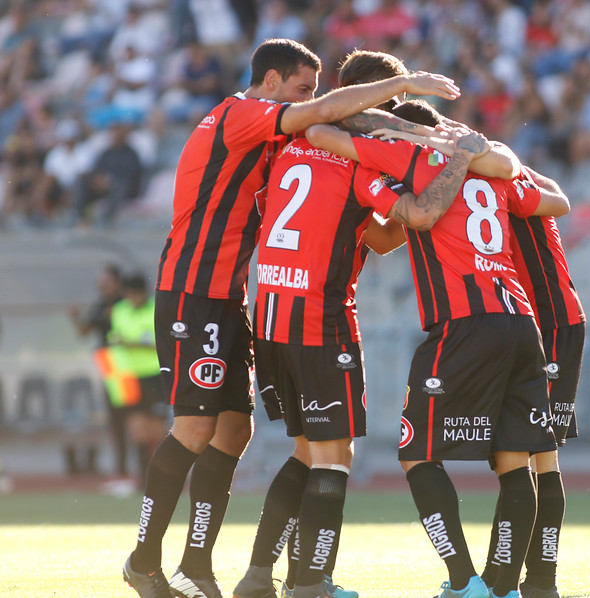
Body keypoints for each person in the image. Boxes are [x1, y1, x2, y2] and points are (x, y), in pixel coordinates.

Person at [122, 37, 461, 598]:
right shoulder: (239, 116)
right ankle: (145, 558)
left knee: (235, 430)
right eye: (304, 88)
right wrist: (409, 97)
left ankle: (198, 563)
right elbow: (334, 124)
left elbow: (334, 139)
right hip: (193, 290)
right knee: (199, 428)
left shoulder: (290, 141)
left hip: (238, 299)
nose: (312, 98)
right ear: (273, 81)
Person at [304, 98, 569, 598]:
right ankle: (504, 588)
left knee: (415, 453)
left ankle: (464, 581)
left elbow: (323, 135)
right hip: (519, 322)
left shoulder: (411, 158)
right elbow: (556, 201)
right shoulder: (490, 170)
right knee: (516, 461)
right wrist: (479, 156)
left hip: (464, 326)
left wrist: (390, 139)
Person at [233, 118, 491, 598]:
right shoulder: (355, 161)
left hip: (269, 313)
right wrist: (458, 160)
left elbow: (379, 237)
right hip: (320, 319)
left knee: (307, 450)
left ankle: (257, 576)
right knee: (335, 456)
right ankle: (310, 582)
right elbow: (419, 216)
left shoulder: (291, 147)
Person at [481, 164, 585, 598]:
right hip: (535, 325)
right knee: (532, 457)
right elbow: (558, 194)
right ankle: (530, 579)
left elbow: (560, 200)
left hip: (552, 325)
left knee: (533, 456)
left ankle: (529, 578)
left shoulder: (504, 186)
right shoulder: (519, 179)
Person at [105, 273, 169, 481]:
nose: (132, 298)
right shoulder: (119, 310)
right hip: (128, 376)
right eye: (129, 294)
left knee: (158, 429)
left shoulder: (156, 310)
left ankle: (165, 473)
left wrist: (133, 344)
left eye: (135, 294)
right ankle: (143, 477)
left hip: (155, 375)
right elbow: (114, 338)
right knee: (137, 428)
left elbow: (162, 343)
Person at [69, 263, 125, 476]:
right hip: (110, 367)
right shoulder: (100, 306)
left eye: (106, 281)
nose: (102, 286)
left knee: (135, 419)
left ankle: (137, 465)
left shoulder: (125, 305)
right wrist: (75, 317)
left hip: (129, 367)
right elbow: (84, 331)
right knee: (115, 418)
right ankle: (121, 466)